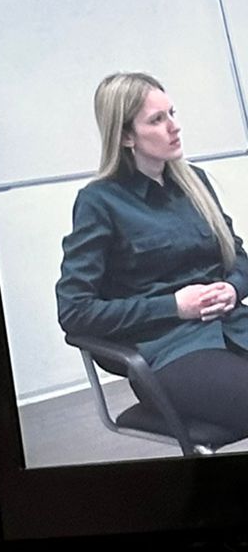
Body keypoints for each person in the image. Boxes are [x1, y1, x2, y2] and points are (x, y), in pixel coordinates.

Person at [57, 72, 248, 440]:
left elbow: (239, 258)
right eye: (157, 120)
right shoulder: (100, 202)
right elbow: (75, 312)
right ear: (126, 135)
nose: (174, 127)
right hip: (170, 353)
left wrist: (232, 287)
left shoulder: (196, 182)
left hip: (235, 327)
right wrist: (174, 306)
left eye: (172, 114)